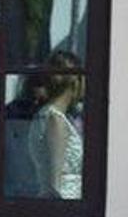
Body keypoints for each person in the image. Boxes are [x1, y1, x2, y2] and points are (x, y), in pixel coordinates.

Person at [28, 50, 85, 200]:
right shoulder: (55, 120)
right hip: (66, 204)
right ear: (75, 82)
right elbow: (55, 185)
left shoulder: (47, 114)